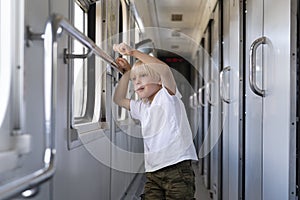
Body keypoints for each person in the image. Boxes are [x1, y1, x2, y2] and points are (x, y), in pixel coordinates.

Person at [113, 43, 198, 200]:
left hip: (177, 169)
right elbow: (118, 99)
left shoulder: (167, 95)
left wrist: (133, 52)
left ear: (159, 80)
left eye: (143, 76)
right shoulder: (142, 107)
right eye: (134, 79)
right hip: (153, 172)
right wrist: (126, 74)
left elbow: (164, 70)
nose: (137, 82)